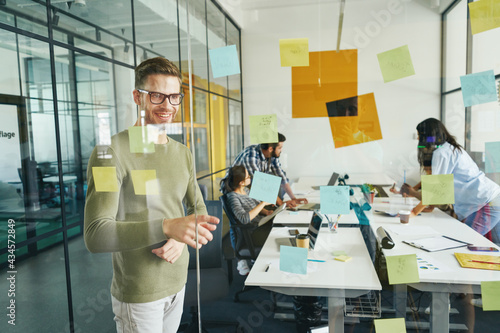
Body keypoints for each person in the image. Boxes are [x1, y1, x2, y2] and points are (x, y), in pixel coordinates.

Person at [84, 57, 219, 333]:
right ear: (137, 96)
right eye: (157, 95)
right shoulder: (109, 153)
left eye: (174, 97)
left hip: (178, 280)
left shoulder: (182, 153)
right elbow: (96, 234)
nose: (167, 105)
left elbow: (199, 210)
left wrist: (180, 240)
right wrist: (168, 226)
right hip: (139, 291)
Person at [408, 118, 500, 245]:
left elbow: (436, 188)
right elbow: (440, 184)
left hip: (485, 203)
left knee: (464, 243)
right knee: (495, 245)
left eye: (420, 136)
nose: (419, 139)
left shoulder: (441, 153)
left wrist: (413, 212)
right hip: (491, 198)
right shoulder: (450, 148)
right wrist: (430, 207)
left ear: (428, 136)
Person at [227, 133, 308, 207]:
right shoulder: (251, 155)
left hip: (249, 189)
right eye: (280, 148)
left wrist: (293, 198)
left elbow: (281, 177)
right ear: (270, 149)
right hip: (234, 193)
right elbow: (259, 183)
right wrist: (281, 203)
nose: (281, 150)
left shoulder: (273, 154)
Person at [222, 165, 273, 275]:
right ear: (241, 182)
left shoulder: (245, 190)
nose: (250, 177)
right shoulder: (233, 197)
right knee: (277, 236)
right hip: (251, 233)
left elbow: (255, 206)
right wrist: (263, 203)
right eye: (248, 176)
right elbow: (244, 219)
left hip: (260, 225)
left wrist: (266, 212)